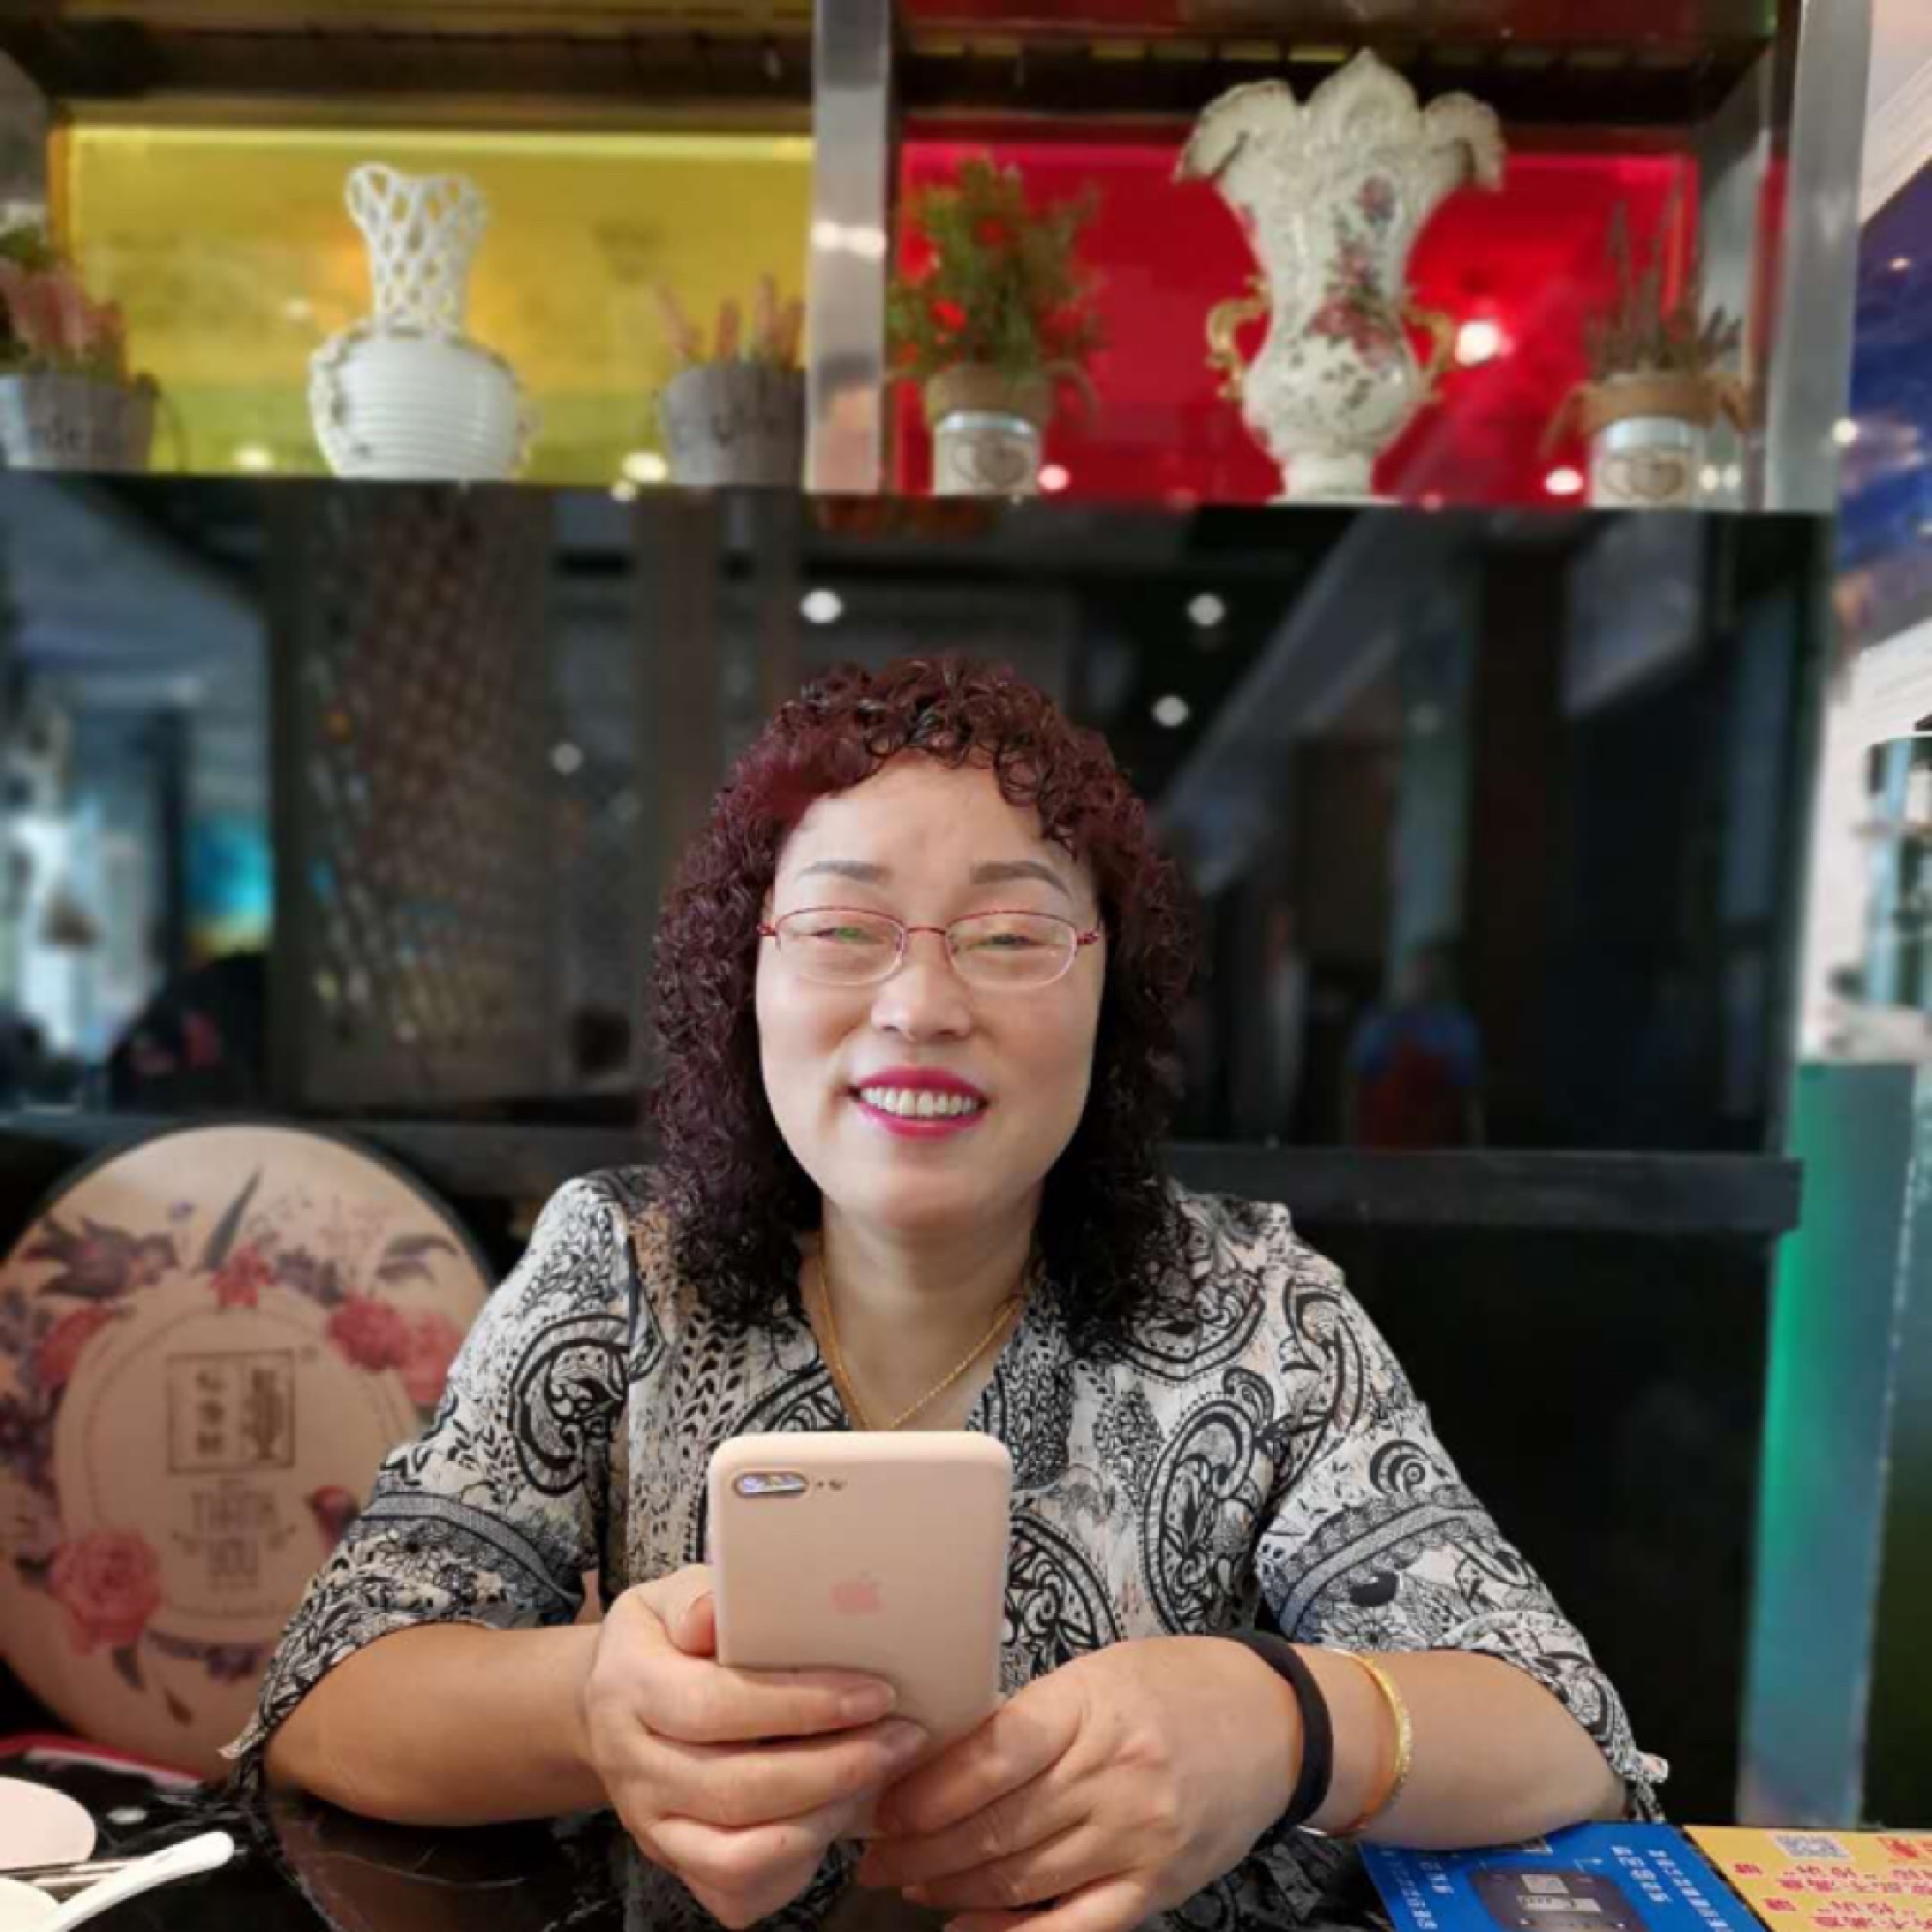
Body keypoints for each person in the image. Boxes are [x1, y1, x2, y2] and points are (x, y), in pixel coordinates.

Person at [236, 659, 1658, 1932]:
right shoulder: (618, 1267)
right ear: (746, 976)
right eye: (843, 928)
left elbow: (1564, 1730)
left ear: (1111, 996)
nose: (919, 1005)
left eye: (1011, 934)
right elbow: (329, 1688)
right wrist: (593, 1704)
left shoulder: (1257, 1307)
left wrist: (1286, 1721)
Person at [1344, 939, 1485, 1150]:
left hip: (1439, 1144)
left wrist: (1476, 1146)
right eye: (1418, 970)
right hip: (1382, 1143)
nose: (1424, 978)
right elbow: (1355, 1082)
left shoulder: (1457, 1025)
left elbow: (1470, 1094)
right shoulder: (1379, 1021)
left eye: (1432, 971)